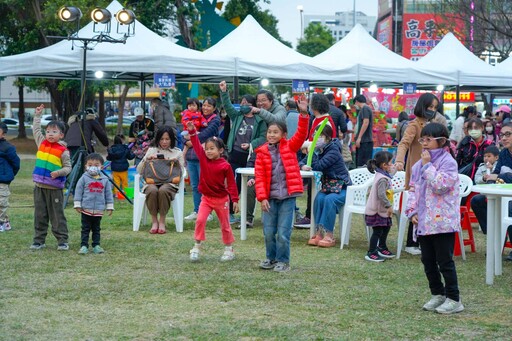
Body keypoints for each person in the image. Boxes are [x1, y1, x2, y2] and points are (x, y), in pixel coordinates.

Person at [406, 123, 464, 314]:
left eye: (428, 139)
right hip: (424, 220)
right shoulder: (418, 165)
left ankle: (454, 299)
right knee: (428, 260)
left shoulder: (448, 162)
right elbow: (412, 189)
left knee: (445, 261)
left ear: (442, 141)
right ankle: (437, 294)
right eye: (422, 139)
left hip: (443, 221)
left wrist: (427, 166)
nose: (424, 143)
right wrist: (412, 212)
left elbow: (441, 186)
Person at [255, 99, 309, 273]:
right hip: (270, 199)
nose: (271, 135)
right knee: (269, 232)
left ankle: (283, 261)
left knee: (283, 233)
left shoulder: (290, 147)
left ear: (283, 135)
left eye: (275, 132)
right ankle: (271, 258)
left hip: (287, 197)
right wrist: (262, 198)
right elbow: (260, 177)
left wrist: (303, 115)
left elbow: (301, 134)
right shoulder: (261, 152)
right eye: (269, 132)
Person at [395, 93, 442, 255]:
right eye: (430, 107)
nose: (432, 110)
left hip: (432, 172)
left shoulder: (434, 125)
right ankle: (410, 242)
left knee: (427, 207)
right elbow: (403, 144)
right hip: (417, 174)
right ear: (422, 106)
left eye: (435, 107)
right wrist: (399, 161)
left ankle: (422, 241)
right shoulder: (414, 125)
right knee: (416, 207)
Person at [186, 121, 239, 262]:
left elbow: (232, 185)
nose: (208, 151)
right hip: (206, 199)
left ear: (220, 150)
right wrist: (192, 132)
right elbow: (196, 145)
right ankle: (196, 246)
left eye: (212, 149)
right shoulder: (203, 159)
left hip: (222, 200)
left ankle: (229, 249)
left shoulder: (225, 166)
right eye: (207, 148)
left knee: (225, 225)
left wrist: (235, 200)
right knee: (200, 220)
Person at [219, 81, 267, 225]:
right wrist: (224, 92)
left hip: (251, 157)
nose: (243, 104)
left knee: (247, 186)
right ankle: (230, 214)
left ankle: (247, 216)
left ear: (253, 105)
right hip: (235, 155)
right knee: (232, 185)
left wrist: (252, 144)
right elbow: (227, 106)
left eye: (246, 102)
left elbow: (263, 137)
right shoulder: (238, 116)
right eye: (242, 102)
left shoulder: (260, 120)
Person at [300, 125, 351, 248]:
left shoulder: (333, 150)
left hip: (343, 187)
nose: (317, 139)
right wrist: (302, 166)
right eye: (315, 136)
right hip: (328, 186)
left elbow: (319, 166)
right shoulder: (318, 150)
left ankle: (329, 234)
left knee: (329, 200)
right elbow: (301, 162)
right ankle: (319, 233)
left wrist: (311, 152)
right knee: (319, 199)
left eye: (320, 136)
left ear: (327, 138)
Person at [30, 104, 72, 251]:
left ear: (61, 135)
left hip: (54, 189)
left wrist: (58, 173)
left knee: (57, 216)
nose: (50, 134)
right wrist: (37, 115)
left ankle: (62, 241)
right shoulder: (41, 143)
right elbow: (35, 129)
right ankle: (38, 240)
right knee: (39, 215)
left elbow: (68, 168)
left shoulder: (63, 151)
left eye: (54, 132)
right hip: (39, 187)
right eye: (48, 131)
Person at [296, 93, 336, 227]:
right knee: (311, 189)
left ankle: (311, 217)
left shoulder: (326, 122)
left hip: (322, 160)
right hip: (313, 157)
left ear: (314, 106)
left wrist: (303, 145)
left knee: (315, 189)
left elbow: (320, 143)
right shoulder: (316, 119)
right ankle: (310, 216)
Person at [136, 126, 185, 234]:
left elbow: (182, 173)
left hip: (170, 183)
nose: (164, 142)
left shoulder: (177, 153)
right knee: (152, 190)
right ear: (158, 139)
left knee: (163, 190)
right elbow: (139, 170)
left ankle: (162, 221)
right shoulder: (151, 151)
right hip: (152, 181)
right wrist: (146, 159)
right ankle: (154, 221)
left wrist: (175, 162)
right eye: (162, 139)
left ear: (171, 140)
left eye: (167, 139)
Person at [183, 98, 221, 221]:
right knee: (195, 185)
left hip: (205, 157)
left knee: (205, 184)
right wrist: (187, 140)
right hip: (191, 156)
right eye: (204, 105)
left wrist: (191, 140)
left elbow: (206, 134)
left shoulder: (215, 119)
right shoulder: (196, 116)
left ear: (214, 108)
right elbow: (183, 134)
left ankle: (207, 212)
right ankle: (197, 210)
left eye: (209, 106)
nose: (205, 108)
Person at [471, 123, 512, 236]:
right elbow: (495, 173)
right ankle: (494, 236)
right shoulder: (504, 153)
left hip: (509, 197)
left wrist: (499, 177)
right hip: (504, 194)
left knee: (509, 207)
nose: (504, 138)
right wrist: (490, 181)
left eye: (508, 134)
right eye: (502, 135)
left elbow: (497, 175)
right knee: (477, 200)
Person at [74, 153, 114, 254]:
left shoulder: (105, 180)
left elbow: (108, 194)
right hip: (86, 209)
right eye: (90, 164)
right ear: (86, 166)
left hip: (98, 210)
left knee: (96, 229)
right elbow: (78, 191)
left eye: (96, 165)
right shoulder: (83, 178)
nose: (93, 167)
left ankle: (96, 245)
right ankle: (84, 246)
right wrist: (77, 204)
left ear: (101, 166)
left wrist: (109, 206)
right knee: (85, 229)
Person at [364, 151, 396, 262]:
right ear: (384, 165)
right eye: (391, 163)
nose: (392, 165)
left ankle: (382, 247)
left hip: (382, 210)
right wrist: (389, 206)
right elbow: (381, 194)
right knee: (377, 231)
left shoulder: (382, 173)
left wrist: (397, 167)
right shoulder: (382, 178)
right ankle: (371, 252)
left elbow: (391, 174)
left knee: (386, 228)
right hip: (378, 210)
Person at [0, 122, 20, 232]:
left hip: (3, 181)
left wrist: (9, 174)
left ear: (3, 134)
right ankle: (6, 222)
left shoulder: (8, 147)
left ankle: (1, 223)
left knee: (1, 202)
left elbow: (16, 163)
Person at [353, 94, 374, 167]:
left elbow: (366, 122)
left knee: (363, 164)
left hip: (365, 141)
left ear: (356, 102)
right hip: (364, 140)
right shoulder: (364, 109)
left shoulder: (365, 109)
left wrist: (359, 137)